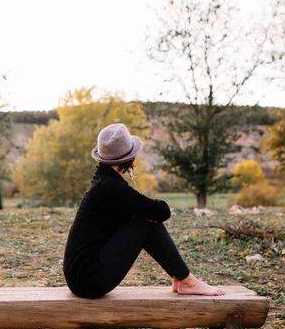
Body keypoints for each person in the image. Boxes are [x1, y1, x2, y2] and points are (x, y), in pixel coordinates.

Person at [63, 123, 226, 299]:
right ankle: (186, 281)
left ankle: (181, 279)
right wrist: (145, 213)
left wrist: (143, 212)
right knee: (145, 224)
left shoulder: (102, 183)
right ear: (128, 158)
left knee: (143, 219)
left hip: (80, 277)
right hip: (88, 280)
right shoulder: (111, 187)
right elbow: (162, 211)